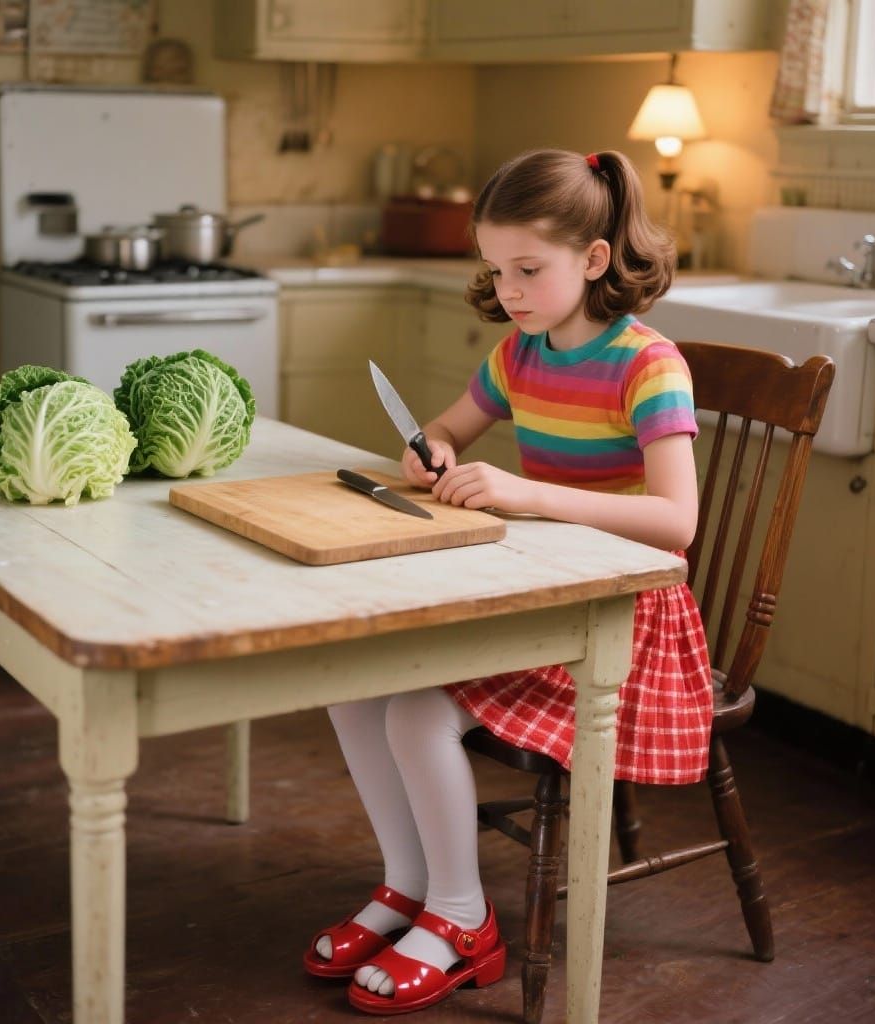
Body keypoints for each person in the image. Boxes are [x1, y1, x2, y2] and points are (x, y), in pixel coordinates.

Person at [303, 148, 714, 1016]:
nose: (512, 290)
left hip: (623, 623)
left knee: (414, 713)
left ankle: (463, 920)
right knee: (350, 687)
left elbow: (678, 524)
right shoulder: (522, 353)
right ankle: (409, 886)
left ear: (594, 260)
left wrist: (525, 493)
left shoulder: (649, 364)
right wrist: (437, 452)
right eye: (497, 270)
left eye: (529, 269)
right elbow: (451, 427)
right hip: (540, 596)